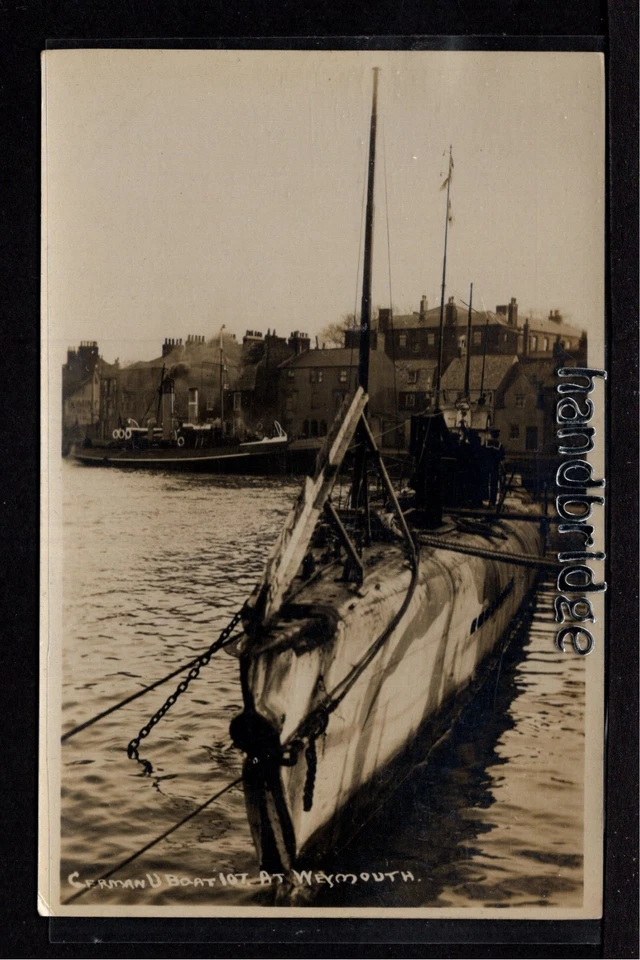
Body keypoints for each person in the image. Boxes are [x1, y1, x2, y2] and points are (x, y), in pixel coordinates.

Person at [486, 428, 505, 506]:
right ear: (497, 436)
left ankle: (486, 498)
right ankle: (492, 501)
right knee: (494, 484)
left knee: (486, 483)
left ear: (491, 435)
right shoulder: (499, 445)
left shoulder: (486, 443)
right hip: (495, 466)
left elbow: (483, 453)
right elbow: (502, 456)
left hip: (487, 466)